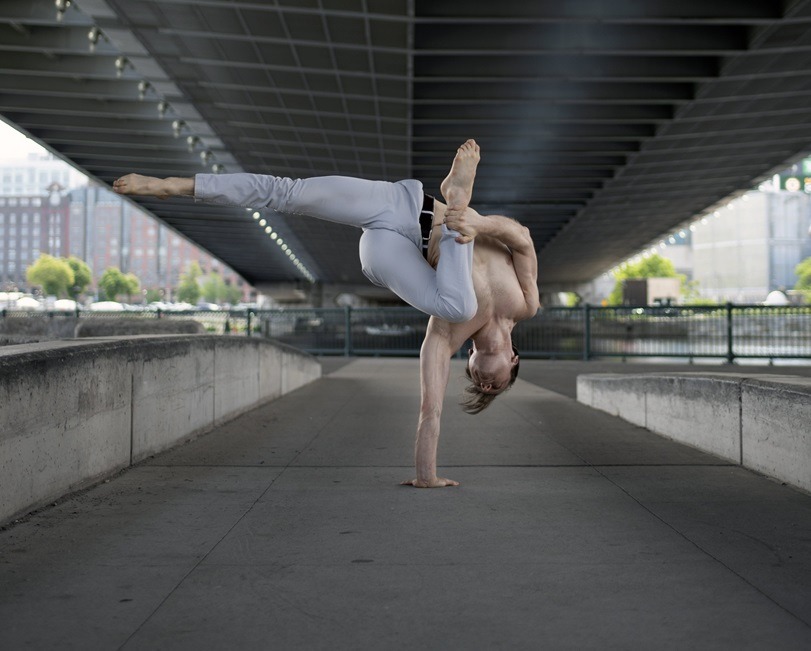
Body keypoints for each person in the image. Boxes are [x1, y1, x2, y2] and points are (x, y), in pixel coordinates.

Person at [113, 140, 539, 488]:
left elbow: (431, 409)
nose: (483, 382)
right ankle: (174, 185)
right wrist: (481, 226)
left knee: (460, 303)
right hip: (404, 204)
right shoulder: (526, 303)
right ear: (513, 360)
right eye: (494, 384)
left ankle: (458, 207)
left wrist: (426, 476)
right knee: (288, 192)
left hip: (387, 254)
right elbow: (520, 238)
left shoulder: (447, 333)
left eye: (477, 382)